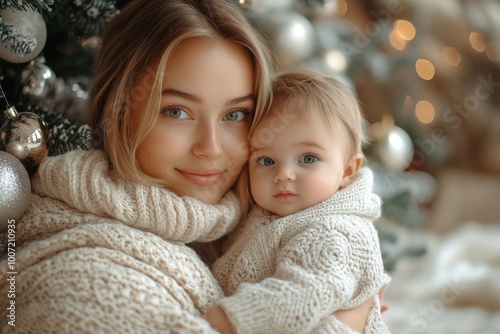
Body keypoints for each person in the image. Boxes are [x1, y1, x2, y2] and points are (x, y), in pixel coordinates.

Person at [0, 1, 381, 332]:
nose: (211, 148)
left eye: (236, 114)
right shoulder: (89, 278)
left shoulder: (243, 229)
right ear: (117, 111)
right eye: (177, 111)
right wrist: (348, 323)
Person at [205, 69, 391, 334]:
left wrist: (232, 318)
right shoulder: (266, 215)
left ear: (348, 171)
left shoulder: (335, 231)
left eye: (308, 159)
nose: (283, 175)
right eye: (266, 161)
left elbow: (304, 293)